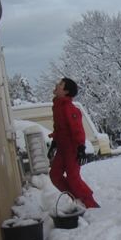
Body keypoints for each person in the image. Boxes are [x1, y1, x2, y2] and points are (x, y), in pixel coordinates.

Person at [47, 77, 100, 208]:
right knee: (55, 175)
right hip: (62, 148)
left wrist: (81, 148)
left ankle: (90, 203)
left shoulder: (69, 108)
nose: (57, 85)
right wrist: (54, 143)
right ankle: (76, 198)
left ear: (66, 91)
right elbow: (58, 128)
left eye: (60, 84)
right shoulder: (57, 106)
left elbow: (77, 129)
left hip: (73, 148)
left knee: (72, 177)